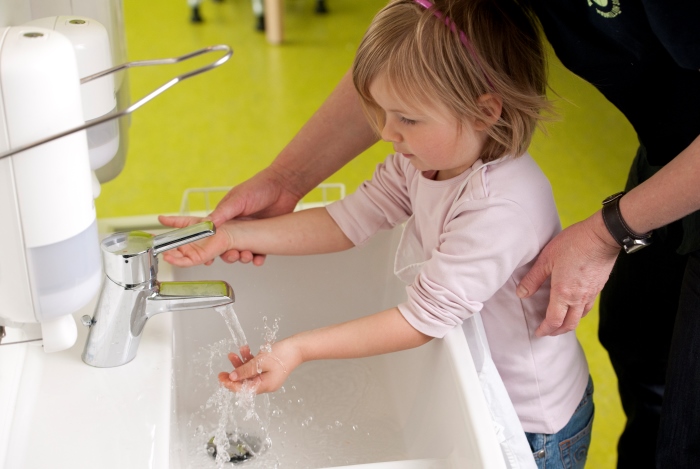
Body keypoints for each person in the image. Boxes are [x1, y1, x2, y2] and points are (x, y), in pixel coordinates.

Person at [162, 1, 700, 467]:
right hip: (496, 388)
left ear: (484, 110)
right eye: (380, 114)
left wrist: (298, 350)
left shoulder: (499, 205)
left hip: (535, 427)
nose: (387, 135)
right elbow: (348, 221)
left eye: (406, 119)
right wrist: (232, 234)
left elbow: (421, 320)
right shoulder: (426, 161)